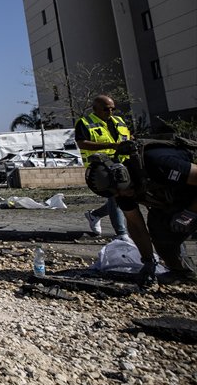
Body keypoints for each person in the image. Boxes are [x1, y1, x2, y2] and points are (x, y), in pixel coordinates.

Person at [85, 137, 197, 287]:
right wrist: (148, 261)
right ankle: (182, 273)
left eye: (119, 192)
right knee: (159, 227)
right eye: (115, 195)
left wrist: (190, 213)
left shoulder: (157, 162)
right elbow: (136, 225)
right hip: (180, 199)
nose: (120, 196)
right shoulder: (121, 191)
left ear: (122, 176)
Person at [75, 95, 132, 239]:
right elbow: (82, 143)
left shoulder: (119, 121)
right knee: (115, 196)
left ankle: (94, 215)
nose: (110, 112)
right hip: (101, 167)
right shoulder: (84, 122)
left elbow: (128, 138)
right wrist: (110, 145)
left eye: (113, 109)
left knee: (123, 196)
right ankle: (121, 233)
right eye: (106, 109)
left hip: (122, 164)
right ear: (95, 109)